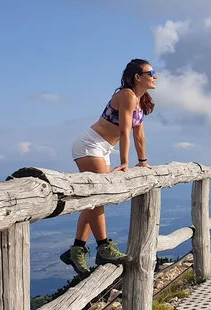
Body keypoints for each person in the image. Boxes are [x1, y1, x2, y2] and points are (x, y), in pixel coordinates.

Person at [60, 59, 157, 275]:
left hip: (103, 149)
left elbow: (138, 134)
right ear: (137, 77)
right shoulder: (127, 95)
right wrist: (124, 162)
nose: (155, 76)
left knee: (93, 200)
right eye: (150, 72)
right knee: (100, 196)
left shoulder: (140, 100)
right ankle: (103, 247)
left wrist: (142, 162)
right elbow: (124, 131)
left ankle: (76, 249)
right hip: (90, 145)